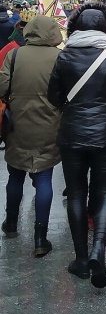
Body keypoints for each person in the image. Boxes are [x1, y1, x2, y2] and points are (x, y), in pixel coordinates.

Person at [48, 2, 106, 287]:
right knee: (105, 191)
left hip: (72, 134)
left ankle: (82, 260)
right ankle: (99, 248)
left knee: (75, 194)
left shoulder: (65, 54)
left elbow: (54, 95)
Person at [0, 15, 63, 256]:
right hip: (49, 124)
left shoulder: (14, 55)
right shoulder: (60, 57)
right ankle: (40, 237)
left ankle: (11, 223)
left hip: (18, 125)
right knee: (44, 179)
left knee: (15, 176)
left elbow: (1, 88)